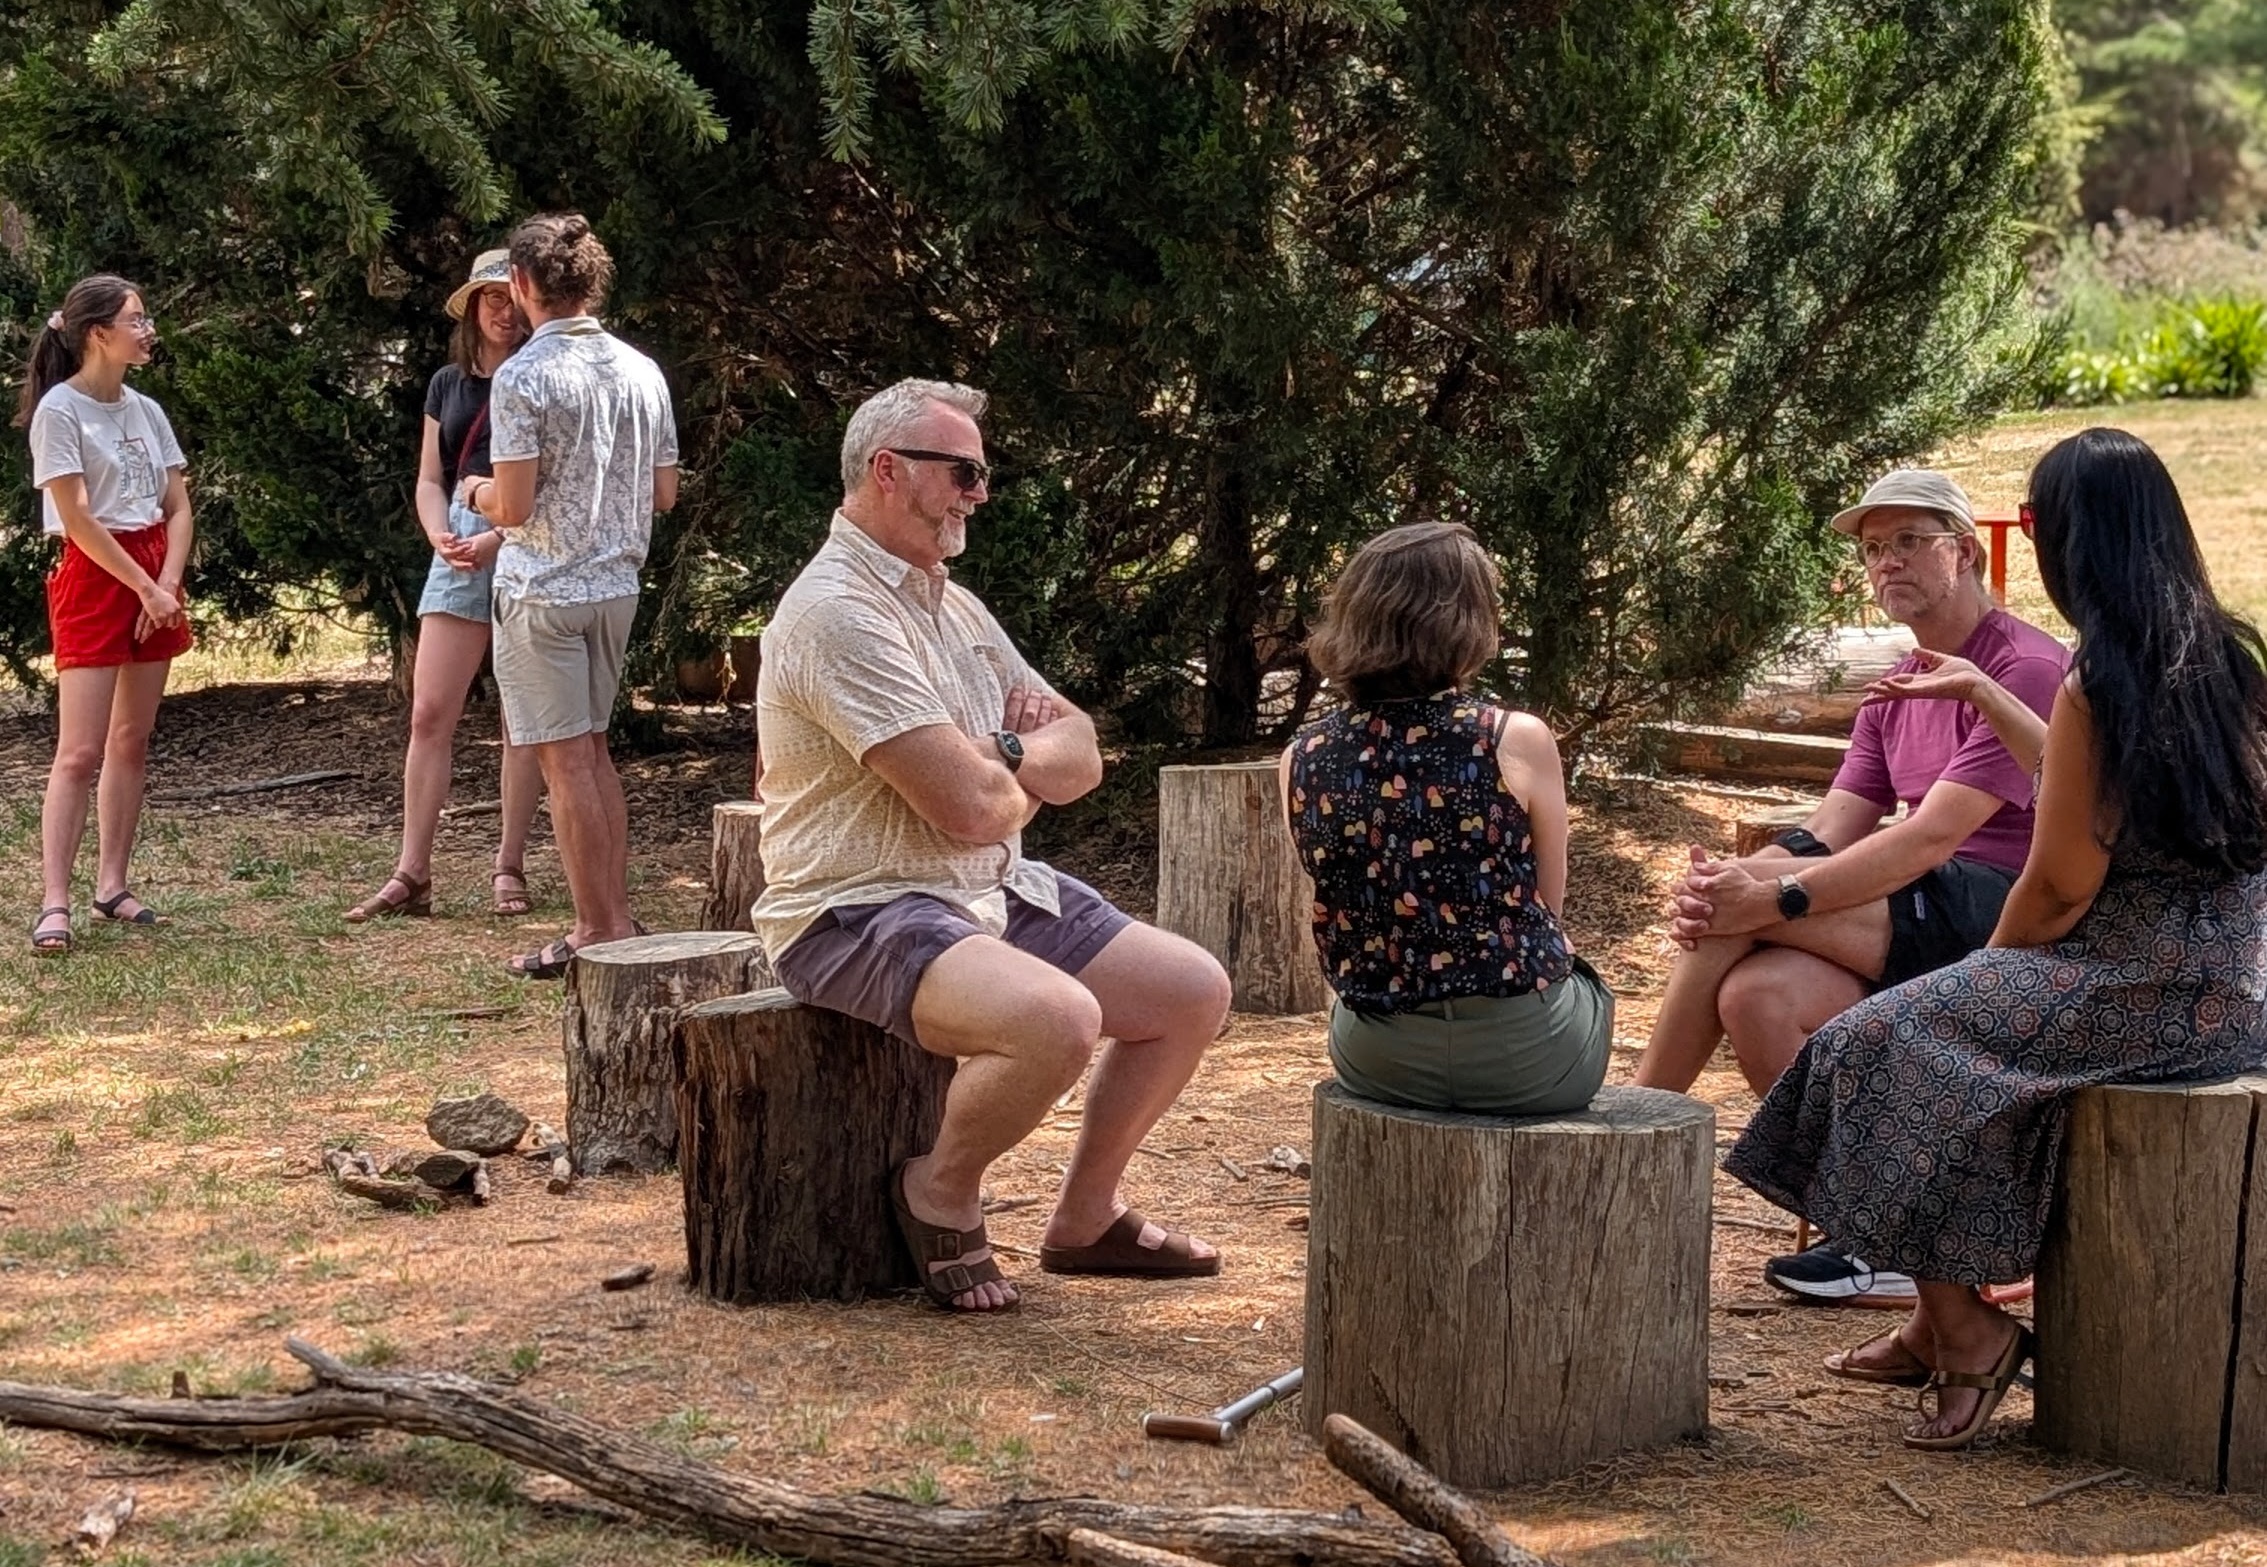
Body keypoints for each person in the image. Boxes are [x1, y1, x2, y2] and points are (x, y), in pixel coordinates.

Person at [1726, 427, 2267, 1451]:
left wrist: (1989, 968)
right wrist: (1983, 694)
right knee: (1916, 1040)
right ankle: (1934, 1317)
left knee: (1871, 1046)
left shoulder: (2098, 676)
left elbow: (2059, 882)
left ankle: (1969, 1330)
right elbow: (2104, 791)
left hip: (2127, 984)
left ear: (2064, 543)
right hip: (2221, 988)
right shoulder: (2223, 659)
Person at [755, 377, 1232, 1313]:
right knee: (1056, 1019)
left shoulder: (953, 603)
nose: (979, 492)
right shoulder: (838, 613)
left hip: (991, 887)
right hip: (859, 906)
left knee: (1191, 992)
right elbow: (966, 807)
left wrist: (1002, 749)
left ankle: (1086, 1218)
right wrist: (1012, 773)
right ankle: (940, 1187)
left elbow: (1083, 750)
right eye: (963, 472)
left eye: (982, 473)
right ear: (888, 472)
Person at [1632, 468, 2068, 1305]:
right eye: (1873, 550)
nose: (1886, 563)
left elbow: (1930, 835)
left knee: (1737, 915)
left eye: (1908, 541)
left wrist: (1773, 897)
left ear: (1966, 552)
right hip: (1924, 906)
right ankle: (1881, 1232)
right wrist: (1742, 877)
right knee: (1756, 996)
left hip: (2007, 920)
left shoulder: (2020, 667)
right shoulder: (1897, 683)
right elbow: (1831, 827)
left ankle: (1637, 1121)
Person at [1280, 521, 1611, 1114]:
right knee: (1587, 983)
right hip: (1530, 1057)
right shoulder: (1515, 738)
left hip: (1379, 1056)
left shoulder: (1299, 758)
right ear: (1470, 622)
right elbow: (1548, 909)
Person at [464, 213, 678, 978]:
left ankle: (595, 928)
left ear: (521, 285)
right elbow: (663, 492)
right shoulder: (642, 369)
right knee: (593, 752)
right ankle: (613, 914)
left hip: (542, 588)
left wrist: (479, 490)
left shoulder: (523, 375)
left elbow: (514, 506)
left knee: (565, 764)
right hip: (615, 584)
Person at [345, 249, 544, 923]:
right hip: (458, 537)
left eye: (512, 297)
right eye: (490, 298)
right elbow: (430, 477)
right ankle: (412, 871)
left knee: (523, 717)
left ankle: (508, 865)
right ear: (470, 308)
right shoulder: (447, 385)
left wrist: (496, 536)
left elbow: (552, 485)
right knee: (430, 712)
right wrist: (438, 533)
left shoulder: (543, 376)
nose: (503, 310)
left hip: (525, 538)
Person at [16, 275, 191, 954]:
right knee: (79, 750)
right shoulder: (60, 411)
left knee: (131, 738)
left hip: (152, 569)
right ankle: (54, 899)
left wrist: (166, 583)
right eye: (137, 320)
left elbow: (177, 504)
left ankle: (111, 883)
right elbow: (78, 516)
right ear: (98, 334)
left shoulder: (146, 409)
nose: (148, 331)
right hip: (98, 571)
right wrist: (144, 586)